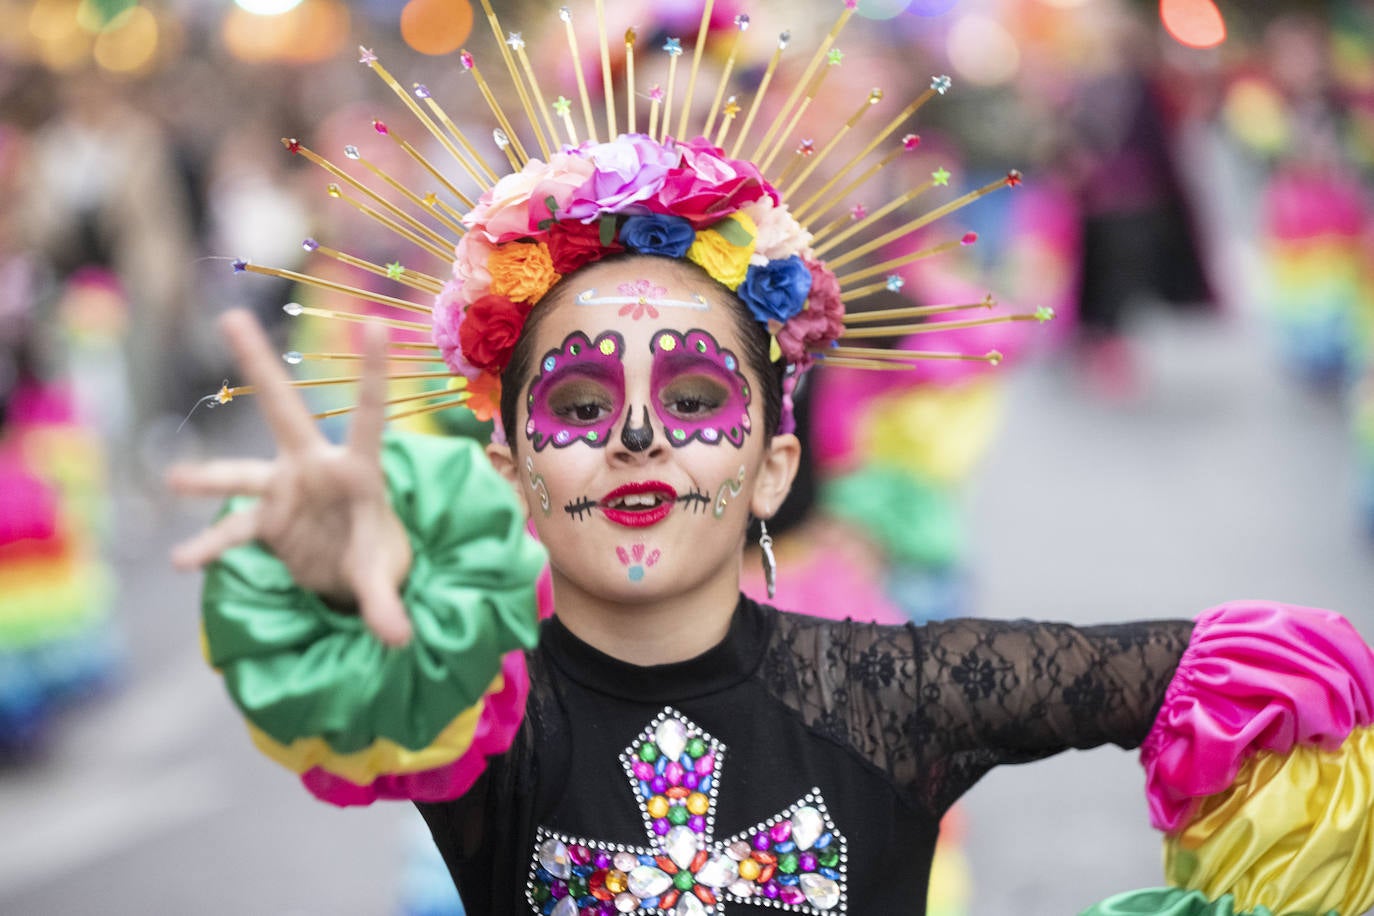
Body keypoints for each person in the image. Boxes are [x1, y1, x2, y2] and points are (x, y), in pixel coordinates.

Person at [167, 8, 1373, 915]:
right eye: (580, 401)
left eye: (694, 395)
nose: (637, 432)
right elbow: (381, 693)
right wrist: (345, 582)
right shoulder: (489, 723)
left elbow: (1283, 674)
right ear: (508, 457)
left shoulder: (901, 694)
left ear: (773, 456)